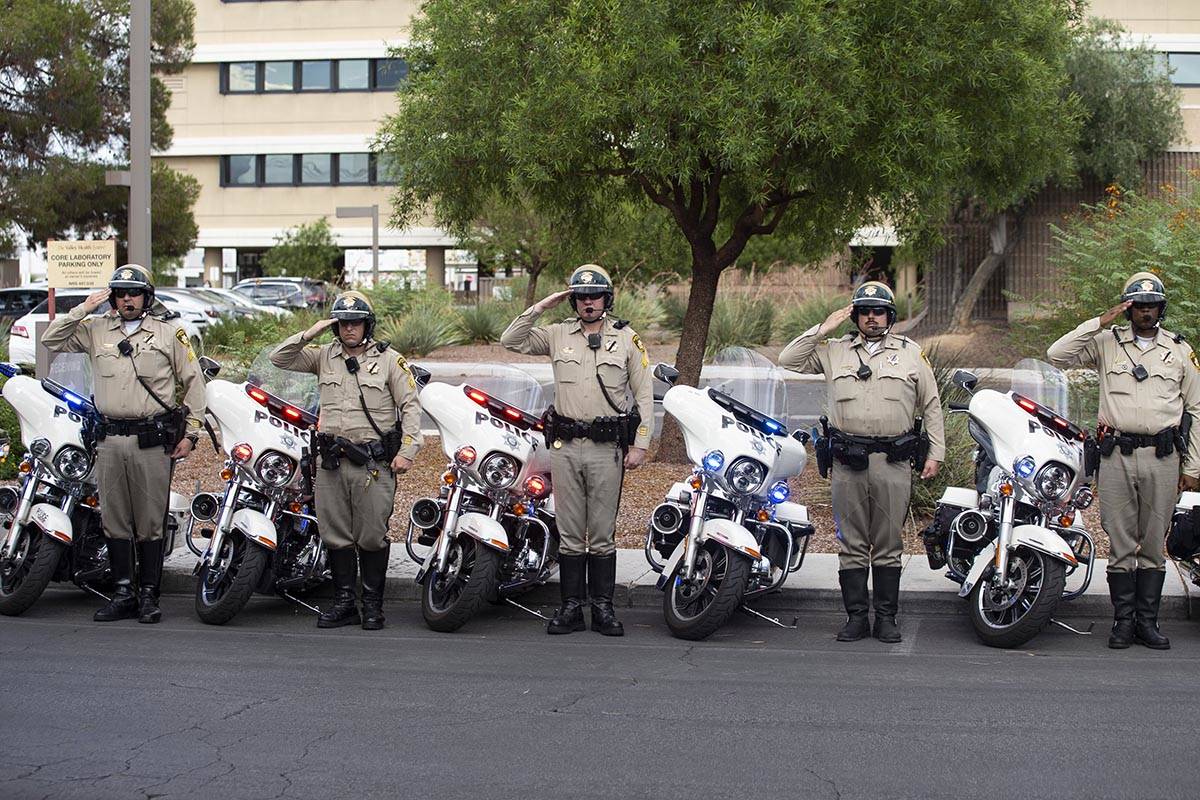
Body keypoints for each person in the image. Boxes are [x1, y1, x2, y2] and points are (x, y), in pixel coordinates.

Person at [779, 281, 944, 643]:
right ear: (855, 316)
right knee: (851, 540)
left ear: (890, 316)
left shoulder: (911, 353)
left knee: (888, 541)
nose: (872, 317)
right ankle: (856, 617)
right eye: (865, 311)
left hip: (893, 460)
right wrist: (824, 327)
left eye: (879, 311)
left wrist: (936, 452)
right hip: (847, 462)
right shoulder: (833, 350)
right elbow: (788, 359)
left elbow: (931, 404)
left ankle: (886, 618)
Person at [43, 264, 205, 624]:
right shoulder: (96, 329)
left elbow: (194, 383)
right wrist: (83, 308)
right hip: (110, 440)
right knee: (115, 520)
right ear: (113, 298)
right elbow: (51, 340)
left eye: (133, 293)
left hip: (151, 441)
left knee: (149, 521)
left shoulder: (169, 333)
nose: (127, 299)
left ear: (146, 297)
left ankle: (149, 596)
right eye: (120, 294)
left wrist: (191, 432)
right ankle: (122, 593)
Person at [1047, 272, 1200, 650]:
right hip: (1116, 456)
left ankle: (1147, 624)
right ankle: (1122, 622)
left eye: (1150, 305)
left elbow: (1196, 409)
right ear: (1128, 307)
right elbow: (1057, 354)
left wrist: (1193, 467)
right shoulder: (1106, 343)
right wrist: (1101, 320)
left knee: (1151, 543)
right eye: (1137, 304)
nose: (1144, 311)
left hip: (1162, 458)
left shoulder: (1179, 350)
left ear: (1160, 308)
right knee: (1120, 542)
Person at [500, 265, 653, 636]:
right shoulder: (557, 334)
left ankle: (602, 608)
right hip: (566, 447)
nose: (588, 302)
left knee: (601, 532)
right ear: (573, 301)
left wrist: (641, 443)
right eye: (581, 297)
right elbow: (511, 340)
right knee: (569, 531)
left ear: (607, 299)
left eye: (594, 296)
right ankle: (570, 608)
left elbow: (644, 394)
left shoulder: (627, 339)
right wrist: (540, 307)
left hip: (606, 449)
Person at [270, 291, 422, 630]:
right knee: (335, 533)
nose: (348, 328)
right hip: (331, 463)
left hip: (372, 463)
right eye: (342, 322)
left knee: (371, 535)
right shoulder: (324, 356)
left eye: (354, 322)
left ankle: (372, 606)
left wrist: (407, 451)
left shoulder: (389, 361)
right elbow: (279, 358)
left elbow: (411, 406)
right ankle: (344, 603)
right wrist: (312, 331)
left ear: (367, 324)